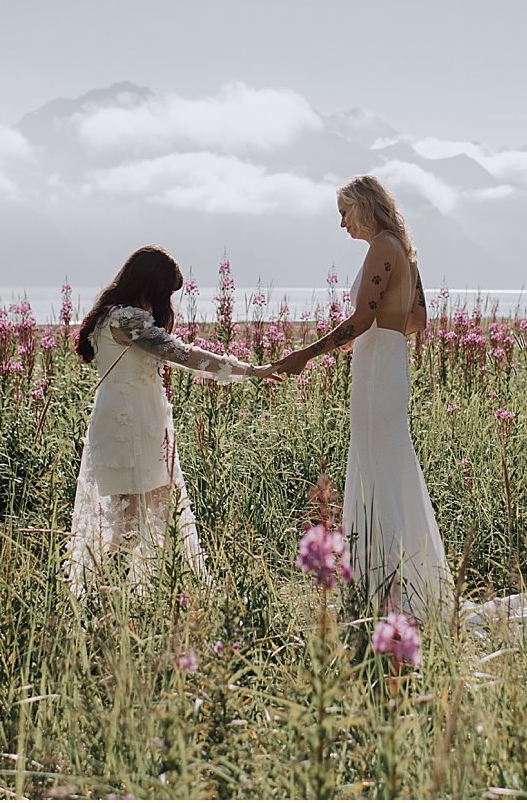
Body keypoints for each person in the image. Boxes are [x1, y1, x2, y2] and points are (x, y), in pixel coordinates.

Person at [269, 175, 451, 618]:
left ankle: (382, 586)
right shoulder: (404, 250)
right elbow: (417, 320)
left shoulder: (383, 248)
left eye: (345, 211)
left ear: (365, 206)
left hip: (376, 374)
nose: (342, 222)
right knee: (389, 467)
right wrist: (375, 338)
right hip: (390, 365)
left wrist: (306, 355)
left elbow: (361, 317)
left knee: (373, 469)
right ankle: (403, 582)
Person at [67, 245, 275, 592]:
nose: (166, 302)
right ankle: (106, 597)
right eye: (165, 292)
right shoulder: (127, 319)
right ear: (149, 284)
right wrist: (248, 370)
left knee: (159, 513)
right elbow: (182, 354)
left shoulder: (108, 315)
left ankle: (165, 593)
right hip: (128, 426)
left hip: (136, 421)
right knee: (130, 523)